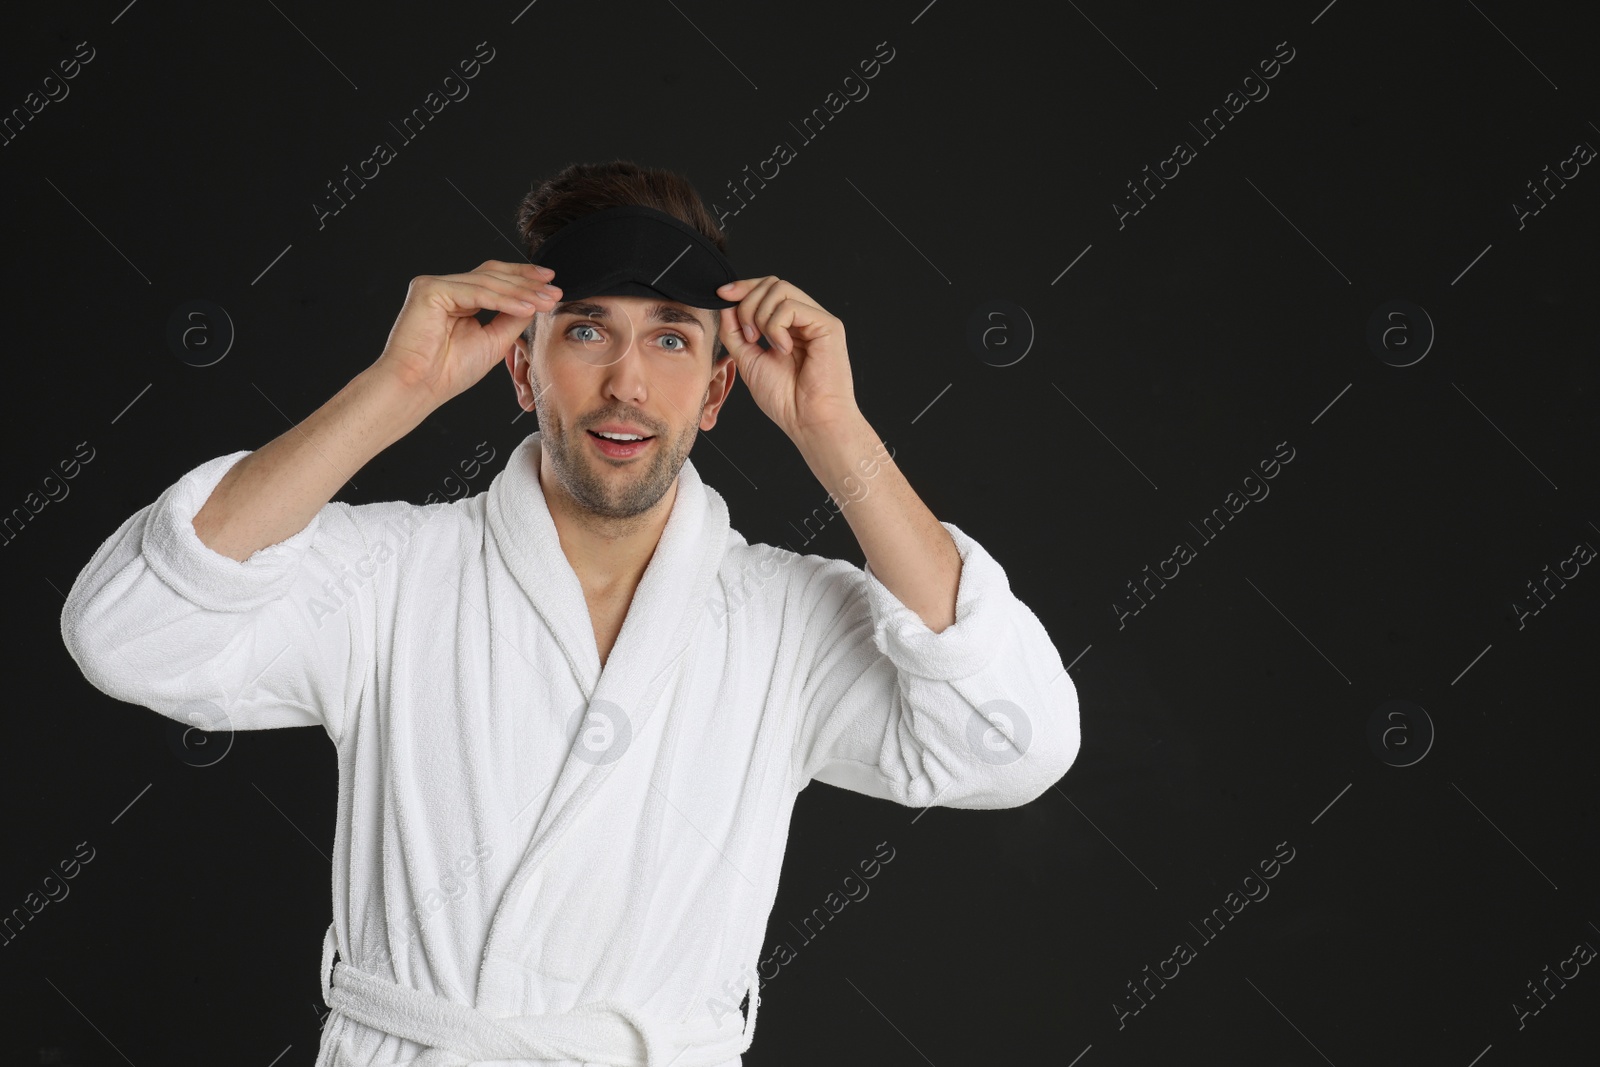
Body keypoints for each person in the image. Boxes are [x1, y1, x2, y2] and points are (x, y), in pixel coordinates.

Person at [59, 159, 1081, 1067]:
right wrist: (397, 385)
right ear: (520, 364)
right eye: (586, 330)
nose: (626, 383)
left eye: (672, 340)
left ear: (720, 387)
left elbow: (1010, 742)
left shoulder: (785, 618)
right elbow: (127, 632)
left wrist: (834, 431)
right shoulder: (386, 575)